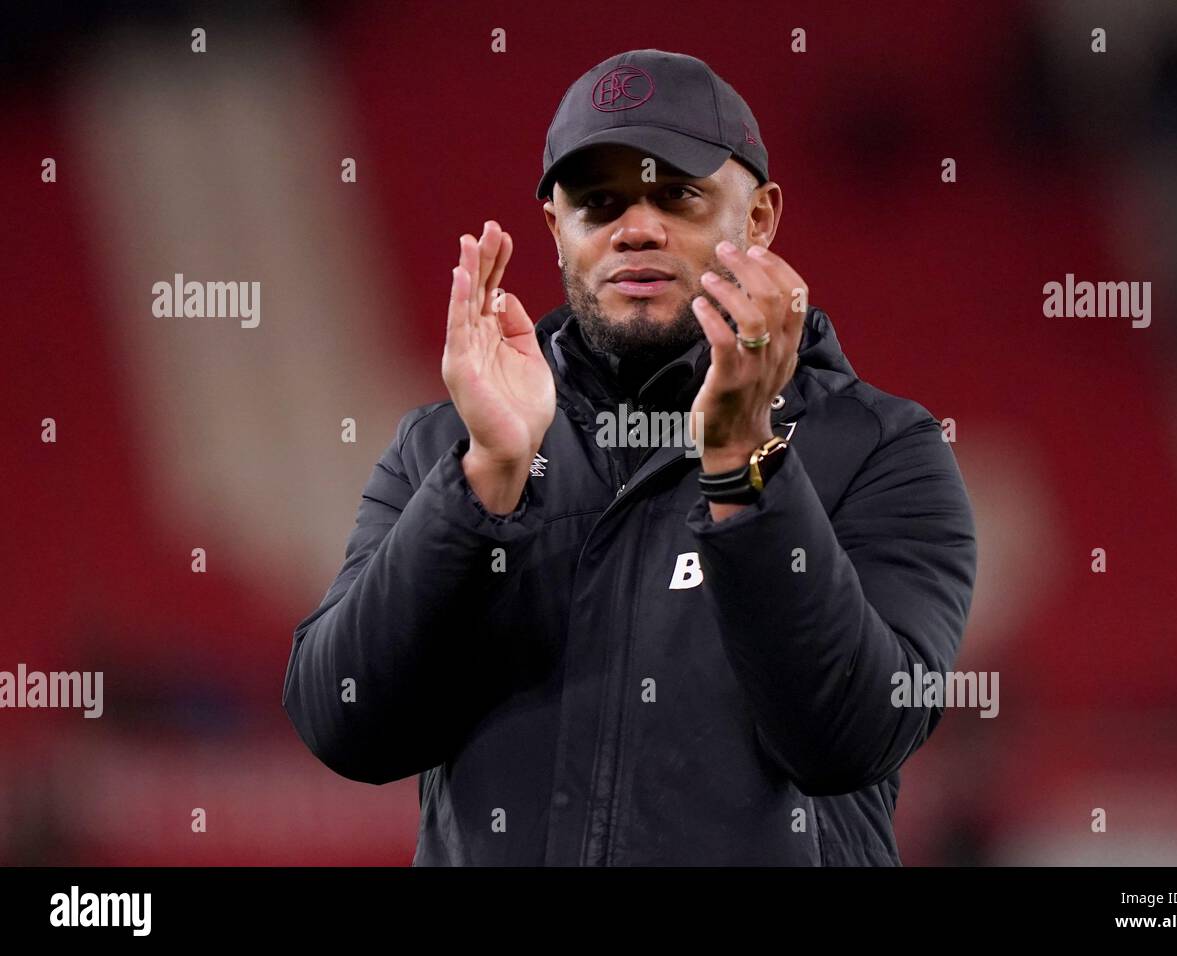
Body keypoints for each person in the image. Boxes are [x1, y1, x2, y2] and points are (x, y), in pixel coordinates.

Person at [282, 48, 977, 865]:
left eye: (677, 196)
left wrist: (743, 469)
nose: (635, 227)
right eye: (599, 201)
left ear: (759, 219)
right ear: (557, 228)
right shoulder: (449, 447)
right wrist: (481, 487)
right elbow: (343, 725)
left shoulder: (882, 450)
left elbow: (850, 738)